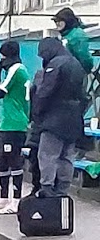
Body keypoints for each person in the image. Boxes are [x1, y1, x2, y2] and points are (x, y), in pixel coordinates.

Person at [31, 37, 87, 198]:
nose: (42, 57)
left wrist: (37, 113)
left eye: (42, 54)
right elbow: (83, 94)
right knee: (67, 156)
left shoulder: (55, 64)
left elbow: (46, 91)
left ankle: (47, 187)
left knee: (47, 154)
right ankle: (63, 188)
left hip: (54, 117)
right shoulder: (76, 63)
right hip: (74, 118)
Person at [0, 41, 31, 214]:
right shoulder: (18, 70)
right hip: (7, 122)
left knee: (14, 161)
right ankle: (4, 199)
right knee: (2, 160)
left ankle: (16, 200)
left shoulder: (16, 69)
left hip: (15, 123)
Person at [53, 7, 94, 74]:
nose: (57, 23)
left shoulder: (77, 35)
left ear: (67, 21)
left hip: (76, 74)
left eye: (60, 21)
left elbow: (83, 56)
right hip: (66, 73)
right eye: (56, 21)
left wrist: (86, 69)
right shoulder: (64, 35)